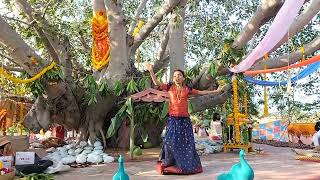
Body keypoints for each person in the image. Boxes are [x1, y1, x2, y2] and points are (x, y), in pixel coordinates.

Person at [146, 64, 223, 175]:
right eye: (175, 76)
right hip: (173, 120)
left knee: (186, 144)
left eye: (179, 75)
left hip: (185, 121)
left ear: (183, 78)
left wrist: (215, 92)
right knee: (169, 142)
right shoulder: (169, 87)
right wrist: (151, 71)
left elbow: (201, 92)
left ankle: (185, 165)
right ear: (173, 78)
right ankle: (169, 163)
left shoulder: (187, 89)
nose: (177, 77)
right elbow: (156, 83)